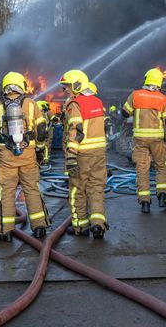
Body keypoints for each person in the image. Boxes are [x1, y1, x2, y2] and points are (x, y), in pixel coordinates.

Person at [0, 72, 51, 241]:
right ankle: (39, 227)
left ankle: (5, 230)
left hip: (6, 157)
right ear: (22, 86)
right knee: (31, 190)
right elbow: (43, 129)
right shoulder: (31, 104)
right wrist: (39, 148)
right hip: (28, 155)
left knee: (7, 192)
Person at [61, 70, 109, 238]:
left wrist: (71, 156)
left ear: (76, 85)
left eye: (67, 86)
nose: (65, 90)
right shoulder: (97, 101)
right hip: (99, 153)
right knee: (96, 188)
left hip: (82, 154)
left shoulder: (75, 104)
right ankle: (98, 225)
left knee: (77, 190)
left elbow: (76, 130)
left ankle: (81, 227)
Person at [121, 68, 166, 213]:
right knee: (161, 167)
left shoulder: (135, 95)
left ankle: (145, 203)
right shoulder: (163, 99)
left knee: (142, 170)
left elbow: (124, 113)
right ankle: (163, 197)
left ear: (146, 80)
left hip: (140, 141)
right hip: (158, 140)